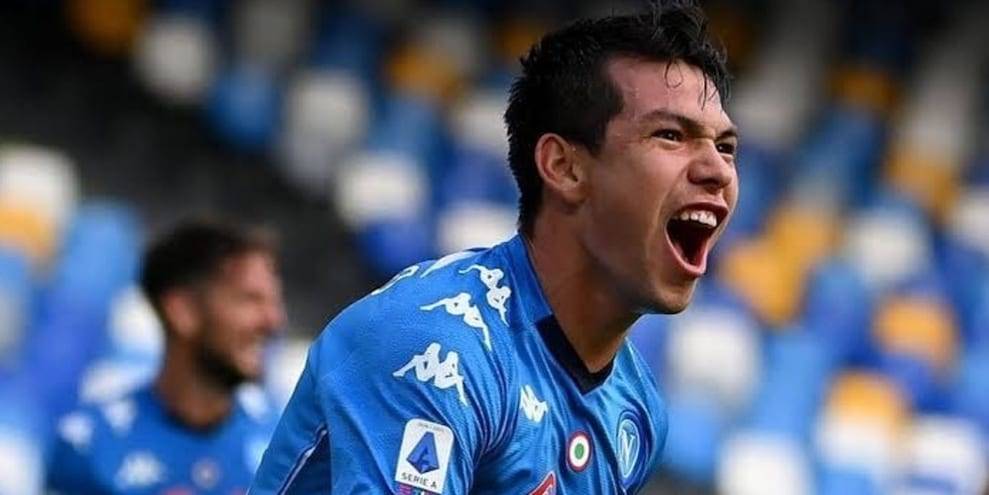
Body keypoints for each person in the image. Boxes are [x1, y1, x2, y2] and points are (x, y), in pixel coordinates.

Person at [252, 0, 737, 493]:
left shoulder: (636, 407)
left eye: (726, 147)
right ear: (565, 167)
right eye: (670, 135)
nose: (718, 170)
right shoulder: (434, 349)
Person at [47, 219, 287, 494]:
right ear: (183, 312)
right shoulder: (87, 448)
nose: (274, 321)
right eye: (250, 299)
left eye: (274, 302)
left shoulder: (285, 446)